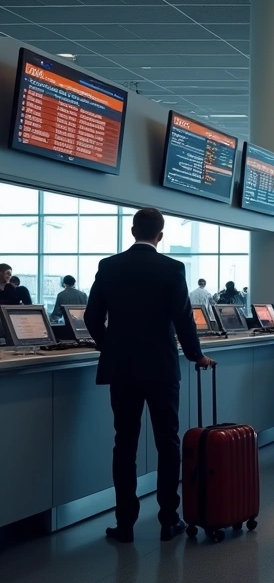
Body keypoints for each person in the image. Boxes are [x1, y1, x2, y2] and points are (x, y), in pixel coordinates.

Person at [83, 208, 216, 543]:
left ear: (132, 231)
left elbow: (91, 316)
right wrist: (195, 355)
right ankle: (169, 519)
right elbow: (183, 319)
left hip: (122, 368)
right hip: (161, 368)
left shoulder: (109, 266)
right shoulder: (172, 268)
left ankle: (125, 524)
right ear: (160, 235)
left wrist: (108, 345)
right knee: (167, 441)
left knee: (124, 443)